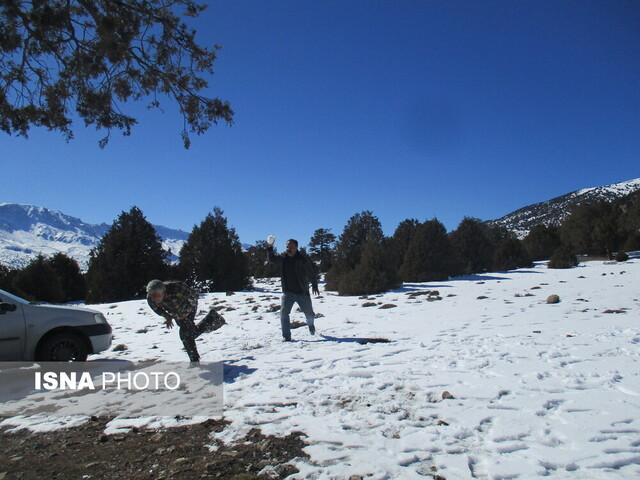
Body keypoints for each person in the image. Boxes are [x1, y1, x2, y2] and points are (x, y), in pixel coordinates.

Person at [146, 280, 226, 363]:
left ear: (163, 291)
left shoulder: (177, 288)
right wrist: (167, 317)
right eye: (152, 295)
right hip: (175, 311)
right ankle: (212, 319)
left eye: (157, 295)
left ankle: (195, 361)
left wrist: (186, 312)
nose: (155, 298)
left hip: (188, 306)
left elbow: (193, 297)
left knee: (184, 333)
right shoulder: (150, 298)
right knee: (190, 333)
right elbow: (157, 309)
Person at [266, 236, 320, 341]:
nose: (288, 248)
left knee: (309, 313)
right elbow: (272, 259)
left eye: (290, 246)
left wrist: (314, 284)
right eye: (287, 246)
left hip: (302, 292)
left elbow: (311, 271)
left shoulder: (302, 259)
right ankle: (287, 337)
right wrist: (270, 247)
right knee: (283, 313)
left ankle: (311, 325)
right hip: (288, 293)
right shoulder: (283, 258)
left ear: (296, 247)